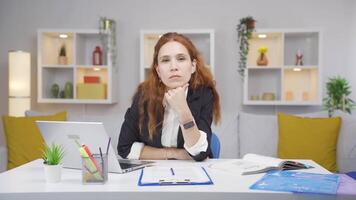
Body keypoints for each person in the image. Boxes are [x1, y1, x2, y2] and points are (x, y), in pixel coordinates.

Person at [117, 32, 221, 161]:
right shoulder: (143, 95)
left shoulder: (204, 94)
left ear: (193, 66)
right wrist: (174, 153)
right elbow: (125, 148)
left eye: (181, 59)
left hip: (192, 173)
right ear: (158, 70)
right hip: (153, 172)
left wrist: (183, 109)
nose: (173, 67)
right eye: (165, 60)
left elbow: (199, 153)